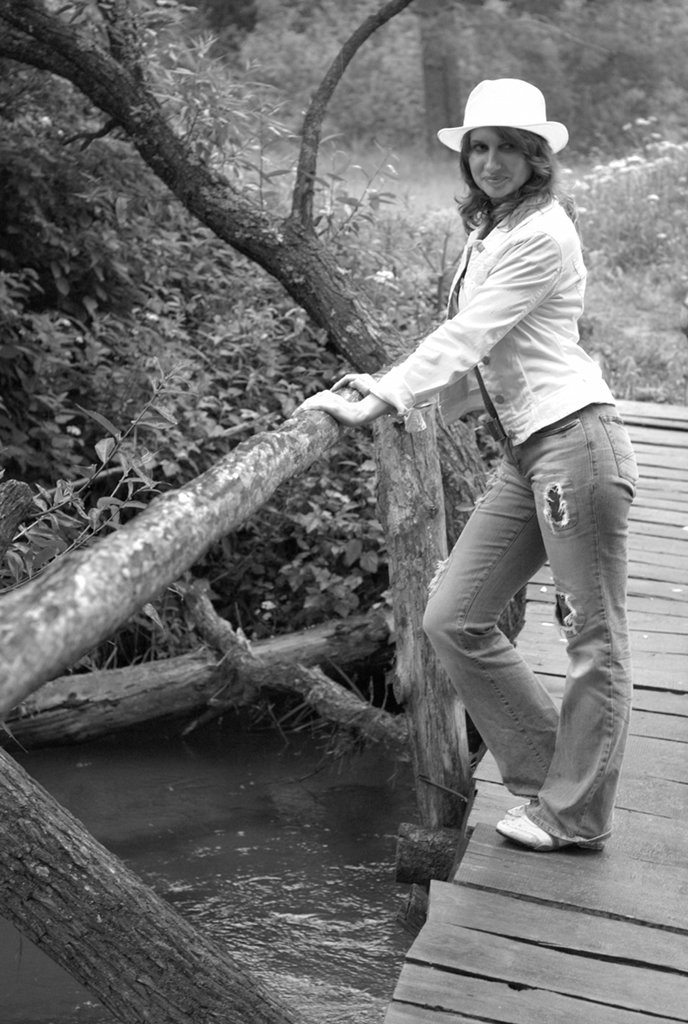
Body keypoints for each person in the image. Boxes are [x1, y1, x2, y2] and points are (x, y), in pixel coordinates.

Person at [297, 79, 638, 852]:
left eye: (507, 148)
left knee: (593, 636)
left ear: (536, 156)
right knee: (451, 617)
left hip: (576, 446)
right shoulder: (493, 229)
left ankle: (576, 814)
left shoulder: (542, 233)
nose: (489, 161)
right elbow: (487, 362)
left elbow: (470, 337)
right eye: (479, 148)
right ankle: (554, 776)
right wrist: (389, 392)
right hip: (528, 450)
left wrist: (388, 393)